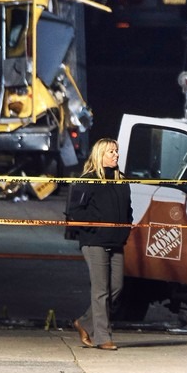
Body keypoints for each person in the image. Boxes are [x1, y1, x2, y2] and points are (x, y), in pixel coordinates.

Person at [70, 138, 132, 351]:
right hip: (94, 241)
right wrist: (95, 226)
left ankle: (84, 322)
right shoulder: (87, 180)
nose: (116, 155)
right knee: (100, 291)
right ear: (100, 155)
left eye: (116, 151)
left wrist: (125, 229)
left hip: (116, 241)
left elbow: (128, 210)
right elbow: (74, 212)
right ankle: (102, 337)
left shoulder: (121, 180)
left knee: (116, 287)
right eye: (111, 152)